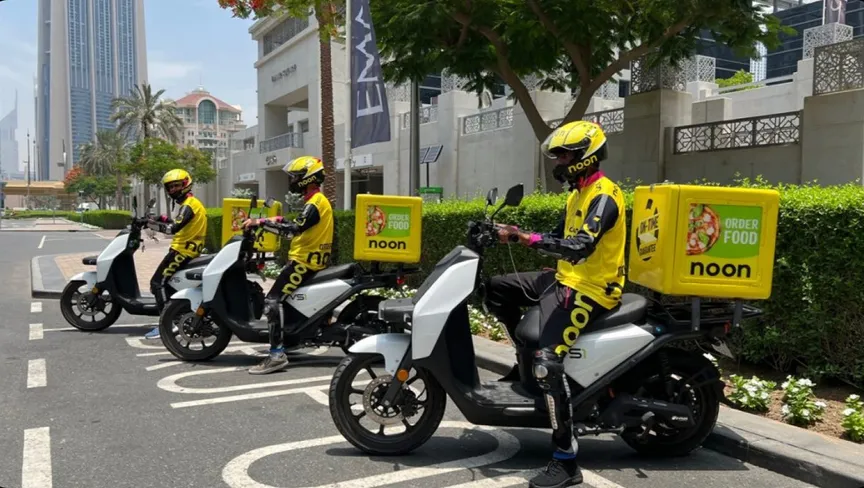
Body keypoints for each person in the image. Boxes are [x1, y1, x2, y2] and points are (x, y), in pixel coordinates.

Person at [487, 120, 627, 488]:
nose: (559, 162)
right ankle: (522, 365)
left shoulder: (604, 196)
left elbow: (580, 247)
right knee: (497, 289)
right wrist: (511, 232)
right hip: (566, 277)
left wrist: (524, 238)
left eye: (565, 156)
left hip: (592, 289)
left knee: (547, 364)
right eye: (559, 156)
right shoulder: (577, 194)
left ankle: (566, 461)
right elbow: (556, 237)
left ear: (586, 157)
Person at [241, 156, 334, 375]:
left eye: (296, 176)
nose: (292, 180)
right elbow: (299, 224)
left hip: (304, 263)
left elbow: (294, 230)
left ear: (307, 178)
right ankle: (291, 340)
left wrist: (261, 222)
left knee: (272, 301)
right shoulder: (315, 201)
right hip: (308, 261)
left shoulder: (316, 203)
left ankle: (276, 355)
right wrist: (275, 220)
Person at [144, 169, 208, 340]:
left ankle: (167, 324)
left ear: (186, 184)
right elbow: (178, 222)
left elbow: (173, 228)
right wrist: (159, 218)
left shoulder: (190, 205)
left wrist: (150, 224)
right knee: (168, 284)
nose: (173, 190)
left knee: (157, 283)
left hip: (183, 251)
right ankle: (178, 316)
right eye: (170, 187)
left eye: (176, 186)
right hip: (185, 249)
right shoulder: (190, 204)